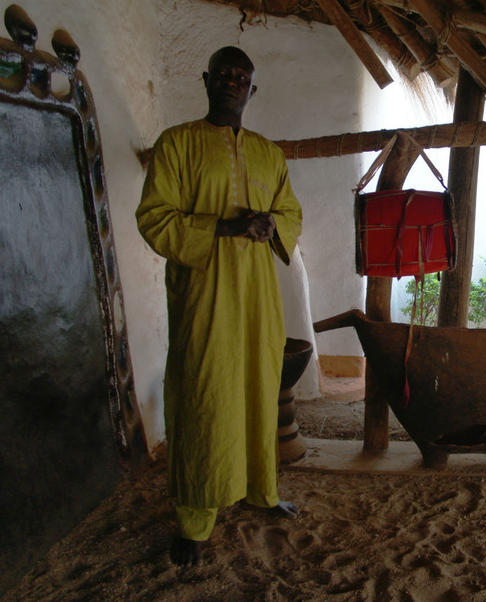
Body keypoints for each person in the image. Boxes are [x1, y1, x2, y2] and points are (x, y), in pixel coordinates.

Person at [136, 46, 303, 566]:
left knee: (257, 387)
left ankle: (260, 490)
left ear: (252, 90)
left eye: (243, 77)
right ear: (207, 80)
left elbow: (289, 211)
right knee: (205, 395)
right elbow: (155, 218)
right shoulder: (177, 144)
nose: (233, 82)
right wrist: (228, 226)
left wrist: (272, 223)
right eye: (225, 74)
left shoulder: (268, 153)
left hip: (257, 297)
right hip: (204, 296)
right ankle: (194, 520)